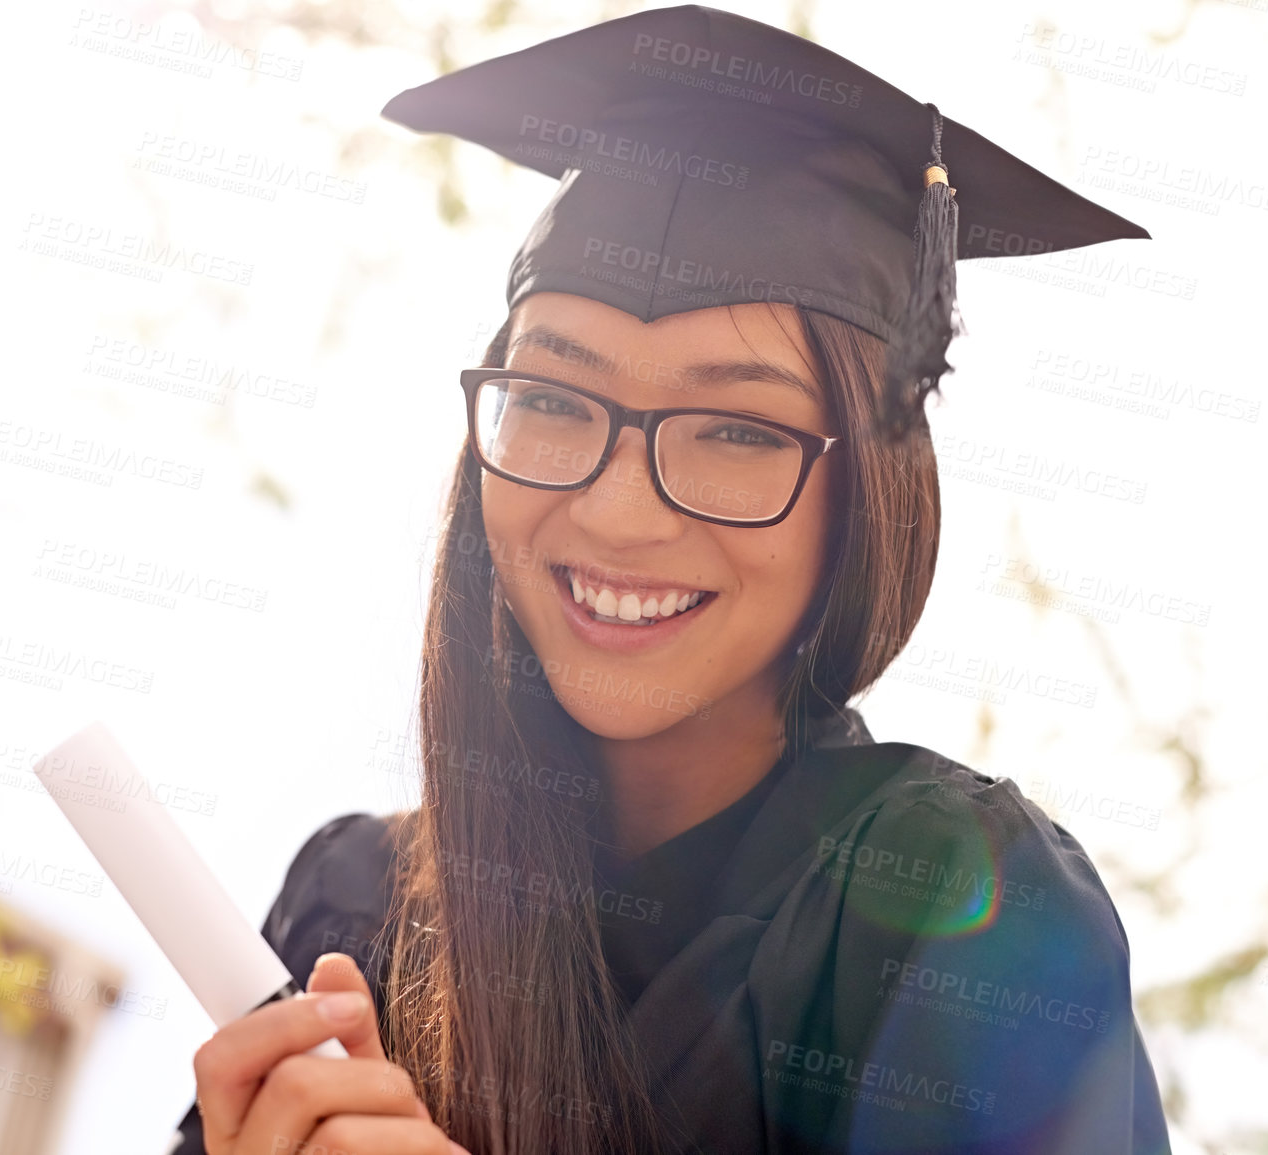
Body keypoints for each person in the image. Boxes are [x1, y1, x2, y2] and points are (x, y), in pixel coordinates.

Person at [170, 6, 1170, 1153]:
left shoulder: (948, 900)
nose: (615, 511)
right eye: (549, 400)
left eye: (737, 431)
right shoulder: (357, 907)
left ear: (869, 493)